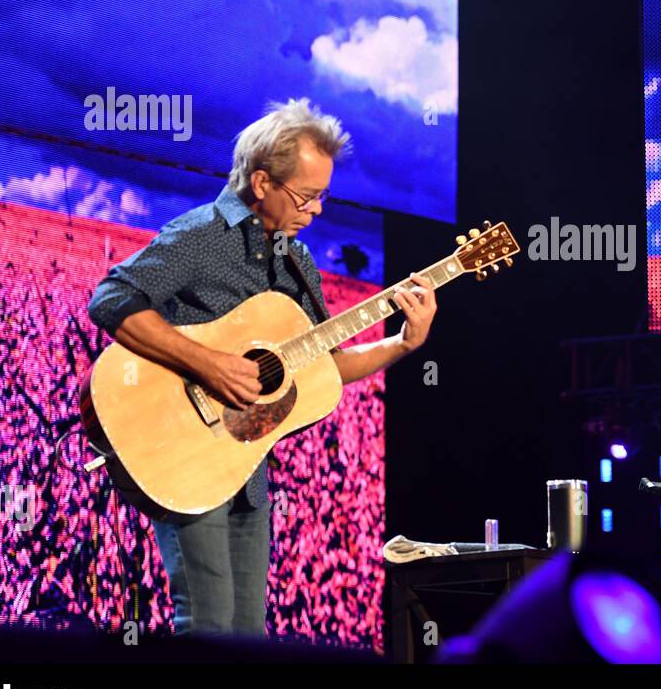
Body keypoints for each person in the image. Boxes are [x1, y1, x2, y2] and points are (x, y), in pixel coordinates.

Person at [87, 98, 437, 637]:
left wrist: (402, 343)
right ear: (261, 182)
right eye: (307, 195)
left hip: (246, 469)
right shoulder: (201, 235)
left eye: (322, 195)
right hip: (182, 455)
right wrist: (210, 365)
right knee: (208, 625)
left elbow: (327, 369)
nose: (316, 209)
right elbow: (111, 299)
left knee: (248, 634)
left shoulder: (296, 265)